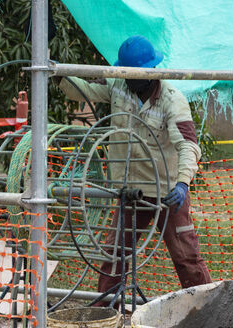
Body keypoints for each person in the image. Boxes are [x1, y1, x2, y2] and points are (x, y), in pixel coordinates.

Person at [55, 35, 212, 302]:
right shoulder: (117, 86)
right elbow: (82, 89)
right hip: (129, 192)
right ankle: (106, 314)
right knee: (114, 255)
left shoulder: (172, 101)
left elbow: (188, 146)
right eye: (125, 73)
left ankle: (207, 308)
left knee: (186, 256)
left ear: (151, 73)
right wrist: (56, 72)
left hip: (167, 191)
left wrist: (183, 183)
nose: (128, 79)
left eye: (133, 74)